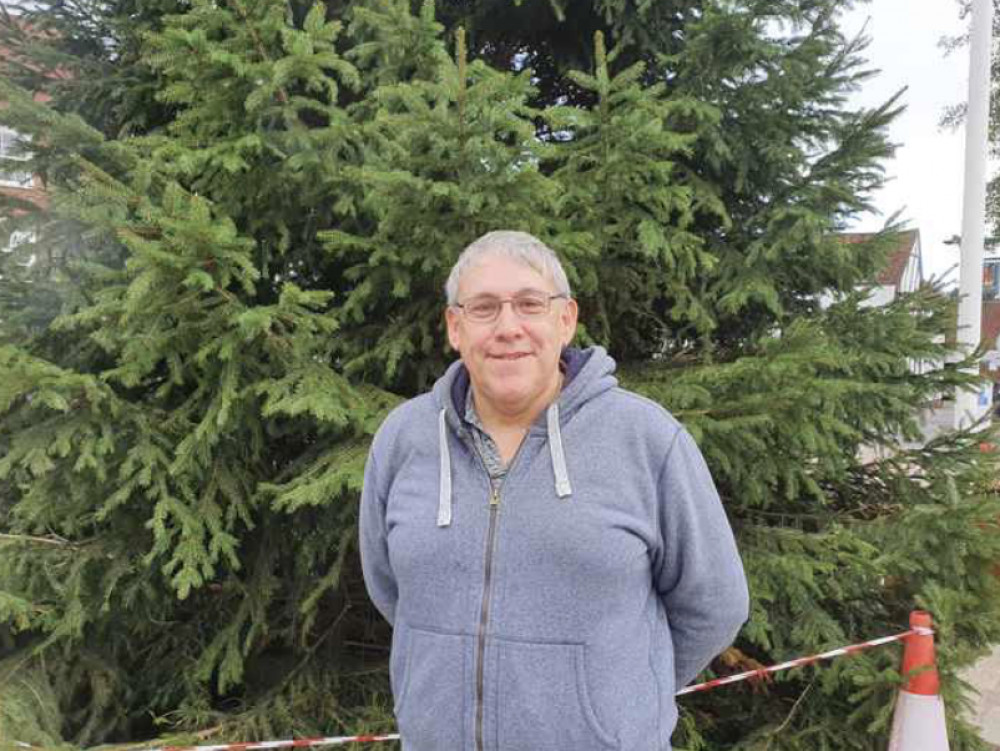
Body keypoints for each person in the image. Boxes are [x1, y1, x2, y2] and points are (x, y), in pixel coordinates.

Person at [359, 230, 749, 751]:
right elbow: (391, 590)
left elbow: (715, 603)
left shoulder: (646, 439)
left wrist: (613, 702)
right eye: (483, 308)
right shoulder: (403, 439)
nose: (508, 327)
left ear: (565, 320)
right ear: (455, 327)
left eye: (529, 304)